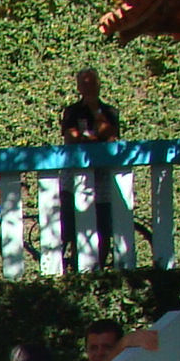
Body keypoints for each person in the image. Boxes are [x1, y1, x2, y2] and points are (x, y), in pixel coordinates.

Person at [58, 69, 123, 269]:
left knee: (102, 229)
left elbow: (110, 136)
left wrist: (96, 110)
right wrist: (96, 140)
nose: (88, 88)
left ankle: (99, 269)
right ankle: (75, 269)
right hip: (73, 180)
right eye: (84, 84)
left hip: (102, 181)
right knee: (72, 228)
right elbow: (72, 138)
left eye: (92, 84)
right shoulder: (72, 111)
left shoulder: (109, 112)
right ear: (78, 87)